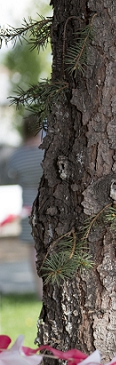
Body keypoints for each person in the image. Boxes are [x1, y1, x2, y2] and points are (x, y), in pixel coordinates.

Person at [7, 115, 44, 297]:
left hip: (28, 208)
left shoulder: (17, 156)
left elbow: (12, 175)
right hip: (50, 204)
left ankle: (40, 292)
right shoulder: (47, 151)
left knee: (34, 250)